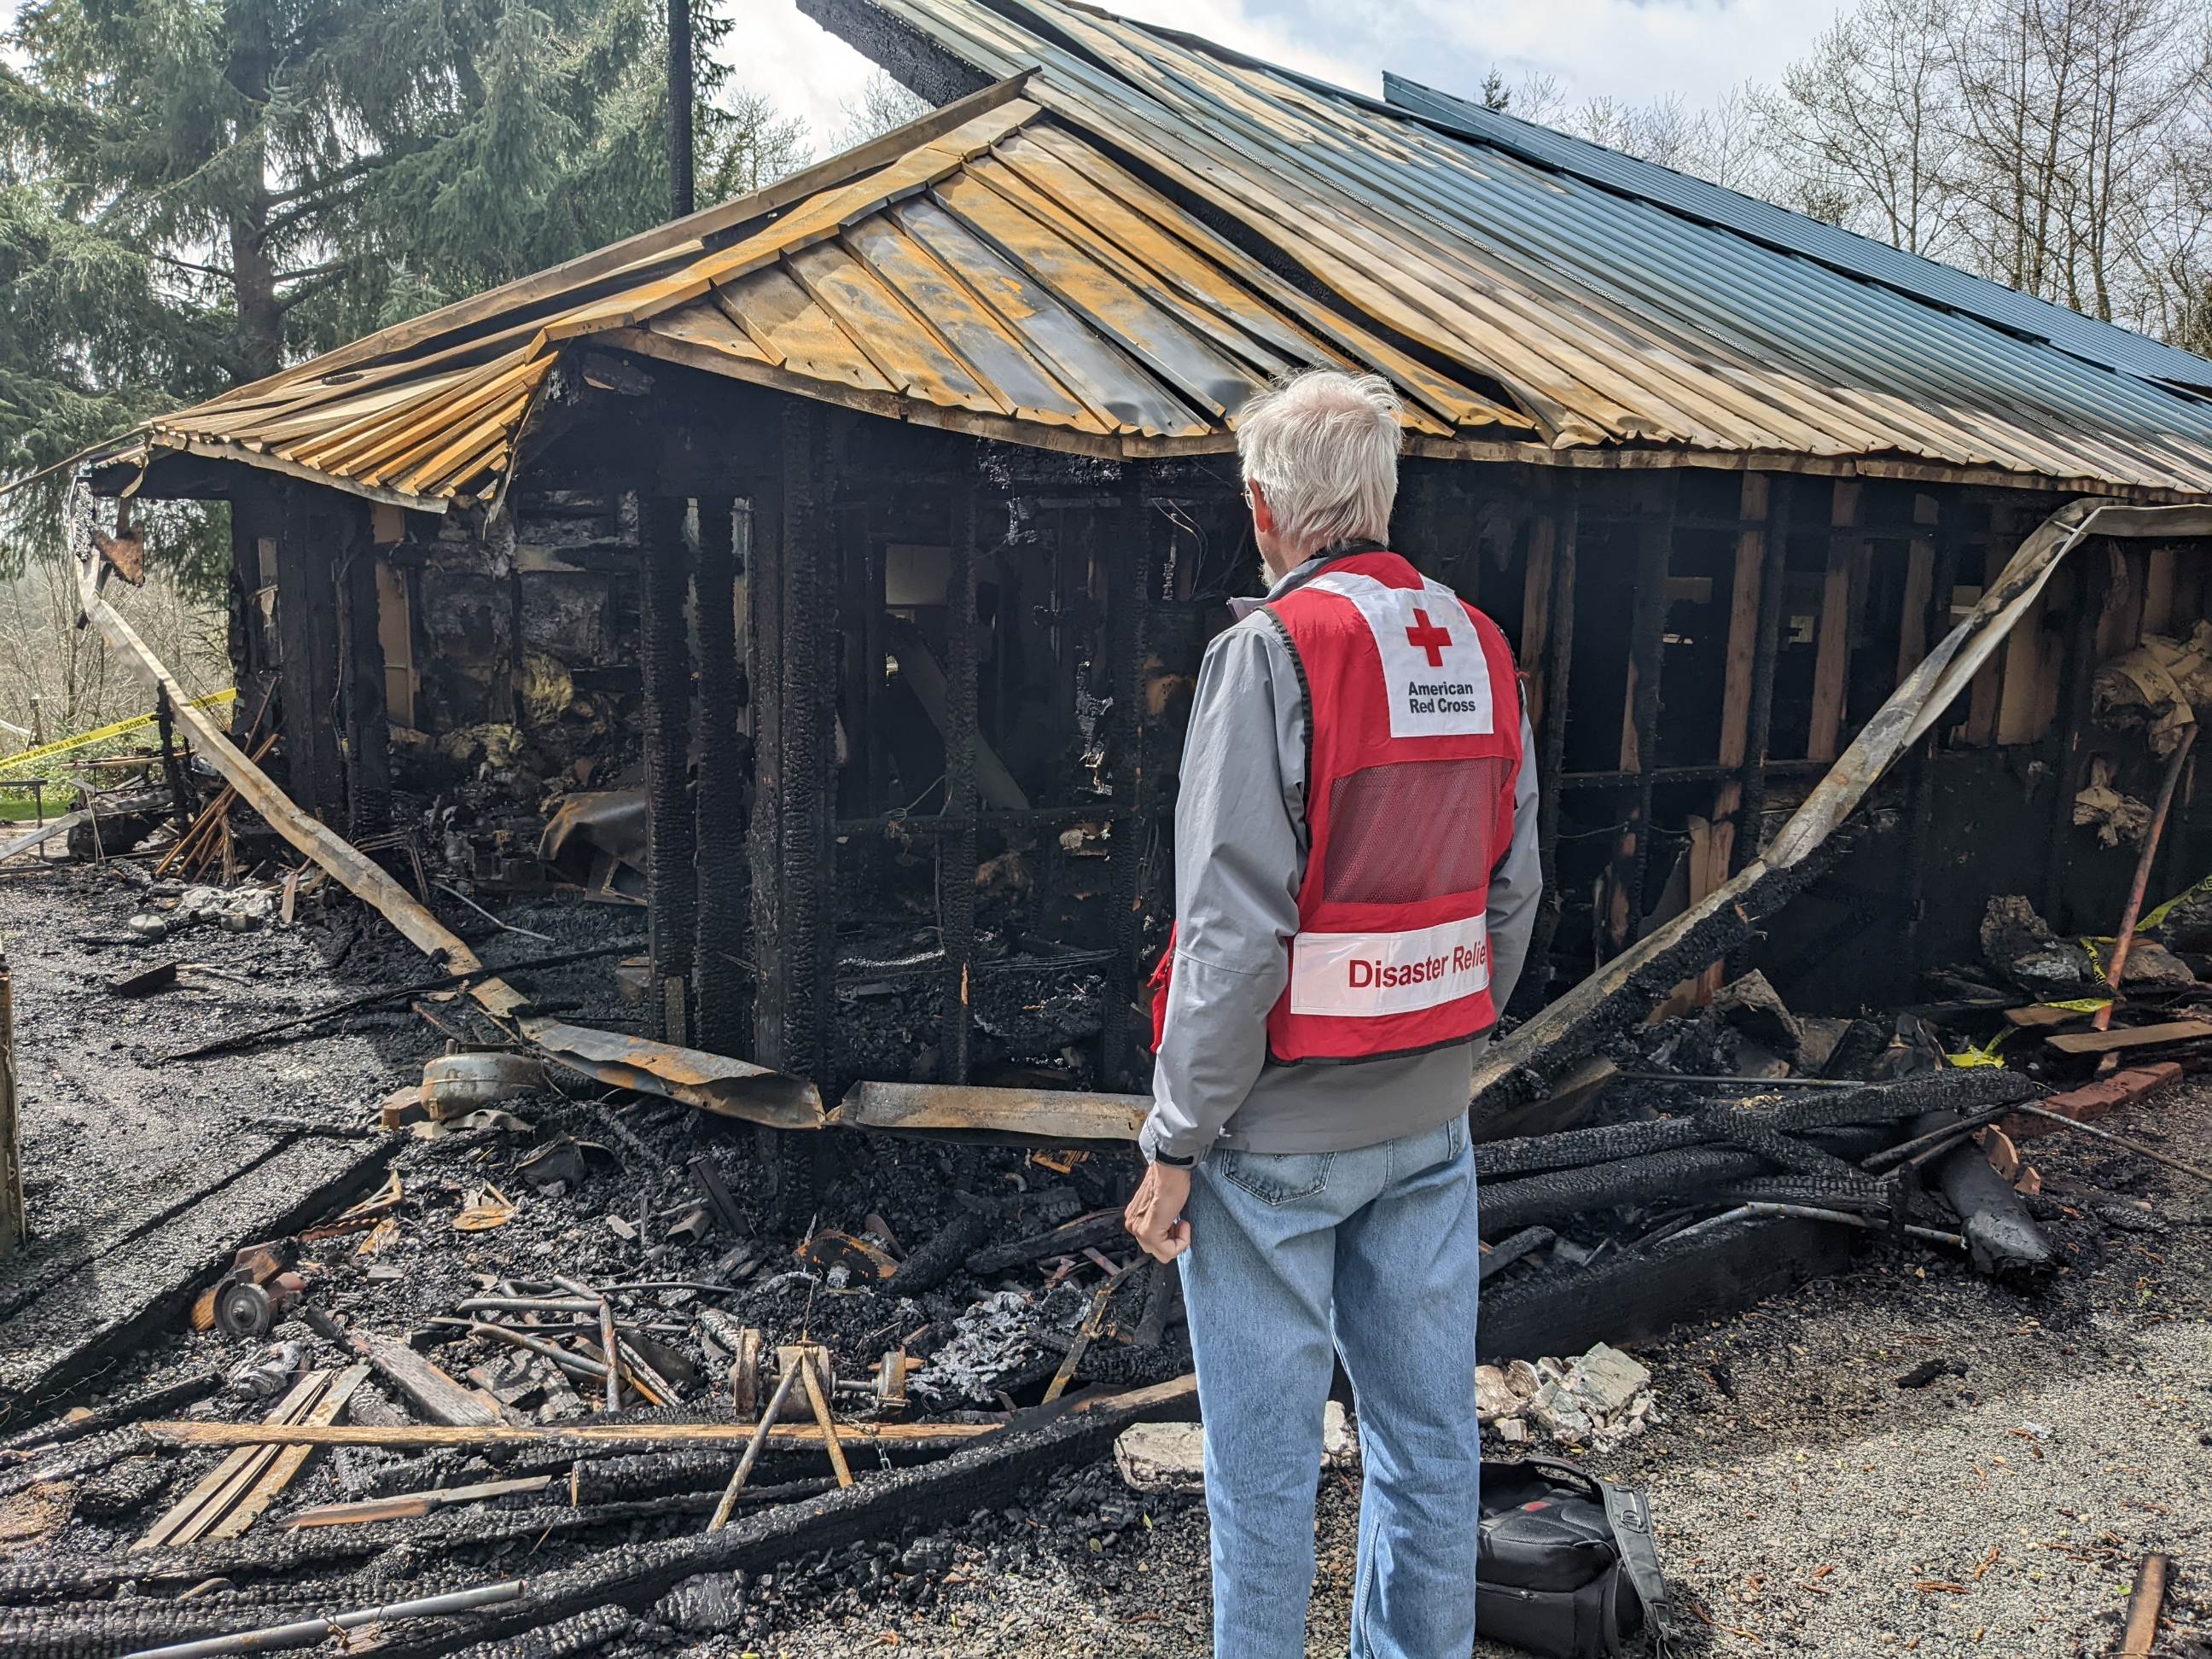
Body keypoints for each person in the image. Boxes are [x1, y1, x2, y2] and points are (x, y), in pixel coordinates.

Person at [1123, 369, 1542, 1658]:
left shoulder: (1270, 652)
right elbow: (1515, 887)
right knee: (1429, 1445)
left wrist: (1177, 1137)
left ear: (1263, 507)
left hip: (1275, 1139)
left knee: (1263, 1477)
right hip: (1429, 1119)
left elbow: (1233, 929)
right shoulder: (1481, 647)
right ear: (1384, 496)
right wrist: (1444, 1035)